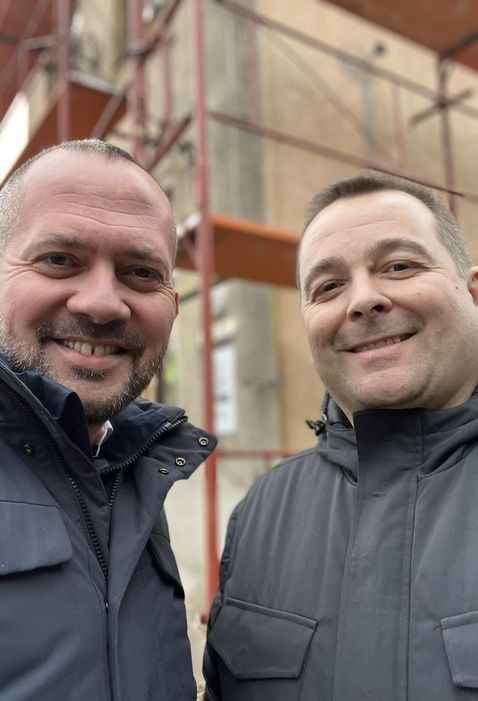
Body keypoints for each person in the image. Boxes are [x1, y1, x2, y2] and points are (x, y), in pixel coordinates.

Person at [0, 139, 215, 700]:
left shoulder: (136, 466)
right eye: (60, 260)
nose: (101, 303)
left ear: (171, 307)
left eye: (140, 272)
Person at [203, 172, 478, 700]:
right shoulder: (262, 511)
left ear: (472, 292)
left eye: (399, 266)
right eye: (328, 286)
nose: (364, 300)